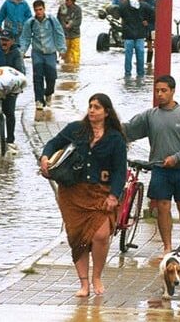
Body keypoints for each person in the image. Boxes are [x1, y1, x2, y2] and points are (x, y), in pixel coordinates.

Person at [40, 93, 127, 297]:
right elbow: (53, 143)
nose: (92, 110)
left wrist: (114, 195)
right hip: (72, 192)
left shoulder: (115, 138)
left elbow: (120, 171)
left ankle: (97, 276)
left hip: (101, 192)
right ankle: (84, 283)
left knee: (101, 234)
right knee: (77, 236)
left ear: (106, 112)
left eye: (97, 107)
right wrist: (45, 157)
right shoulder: (75, 130)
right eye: (90, 106)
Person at [123, 75, 180, 255]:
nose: (160, 94)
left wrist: (176, 157)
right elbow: (129, 129)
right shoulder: (150, 116)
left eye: (164, 90)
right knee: (162, 207)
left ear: (173, 91)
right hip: (160, 168)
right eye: (157, 90)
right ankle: (167, 246)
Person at [20, 0, 67, 110]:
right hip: (37, 53)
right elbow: (25, 38)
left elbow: (59, 33)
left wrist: (61, 49)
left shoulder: (51, 20)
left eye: (40, 9)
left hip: (50, 53)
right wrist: (22, 51)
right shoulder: (30, 22)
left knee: (51, 77)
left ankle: (49, 93)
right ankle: (39, 100)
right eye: (36, 10)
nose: (38, 12)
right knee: (37, 77)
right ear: (34, 11)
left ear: (44, 9)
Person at [116, 0, 155, 77]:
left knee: (128, 56)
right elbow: (153, 14)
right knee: (140, 55)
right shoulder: (143, 5)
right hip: (140, 34)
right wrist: (147, 22)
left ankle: (127, 74)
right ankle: (140, 74)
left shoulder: (123, 5)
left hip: (128, 34)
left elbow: (117, 14)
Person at [57, 0, 82, 65]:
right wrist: (64, 26)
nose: (66, 2)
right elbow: (59, 19)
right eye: (65, 0)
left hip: (75, 34)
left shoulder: (77, 9)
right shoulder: (61, 8)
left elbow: (78, 21)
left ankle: (75, 66)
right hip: (64, 34)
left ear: (72, 0)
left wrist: (71, 25)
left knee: (75, 53)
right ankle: (66, 67)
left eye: (68, 0)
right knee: (65, 53)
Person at [139, 0, 157, 65]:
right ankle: (147, 62)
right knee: (146, 44)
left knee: (153, 43)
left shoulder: (155, 1)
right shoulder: (141, 1)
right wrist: (142, 21)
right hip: (143, 25)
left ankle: (151, 62)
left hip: (152, 25)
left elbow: (156, 14)